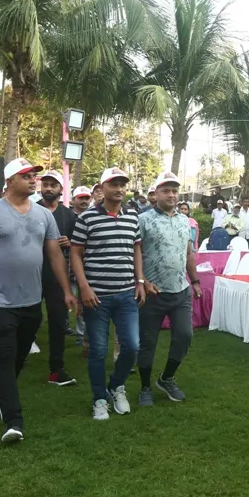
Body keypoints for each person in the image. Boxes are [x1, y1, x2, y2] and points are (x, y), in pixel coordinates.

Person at [0, 158, 75, 444]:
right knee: (3, 358)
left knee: (18, 358)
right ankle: (14, 421)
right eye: (26, 176)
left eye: (34, 176)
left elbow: (54, 254)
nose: (33, 180)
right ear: (10, 181)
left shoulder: (44, 215)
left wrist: (66, 290)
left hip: (31, 301)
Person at [70, 167, 143, 421]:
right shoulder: (87, 218)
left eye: (123, 184)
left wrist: (140, 281)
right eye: (114, 184)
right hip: (96, 297)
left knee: (132, 346)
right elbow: (75, 253)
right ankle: (99, 398)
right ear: (102, 188)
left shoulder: (132, 216)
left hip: (126, 294)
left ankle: (116, 385)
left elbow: (136, 249)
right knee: (98, 351)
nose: (119, 189)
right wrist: (84, 287)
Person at [135, 171, 199, 407]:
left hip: (180, 291)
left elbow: (188, 253)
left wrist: (195, 281)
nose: (171, 195)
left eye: (174, 190)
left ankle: (166, 378)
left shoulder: (185, 220)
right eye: (166, 191)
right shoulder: (143, 220)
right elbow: (134, 253)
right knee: (148, 342)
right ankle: (145, 387)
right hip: (153, 293)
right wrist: (142, 280)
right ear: (156, 194)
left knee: (184, 335)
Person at [37, 171, 77, 387]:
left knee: (58, 322)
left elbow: (78, 247)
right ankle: (15, 358)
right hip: (31, 275)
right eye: (45, 184)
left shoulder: (69, 216)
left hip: (57, 278)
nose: (48, 188)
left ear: (61, 189)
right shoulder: (30, 210)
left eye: (53, 185)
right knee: (28, 320)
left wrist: (69, 243)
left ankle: (57, 368)